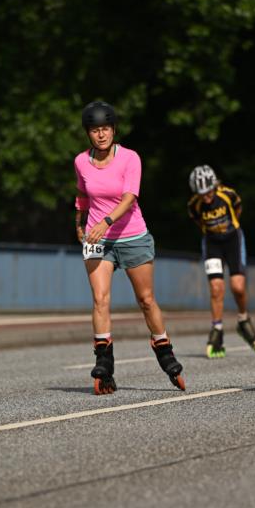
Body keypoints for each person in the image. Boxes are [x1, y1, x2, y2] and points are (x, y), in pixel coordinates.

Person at [75, 101, 185, 394]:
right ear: (88, 132)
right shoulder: (80, 161)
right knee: (100, 299)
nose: (101, 135)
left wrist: (106, 221)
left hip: (132, 236)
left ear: (114, 130)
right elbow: (83, 195)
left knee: (146, 299)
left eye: (106, 129)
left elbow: (129, 198)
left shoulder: (130, 158)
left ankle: (164, 349)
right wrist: (79, 221)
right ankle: (104, 363)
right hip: (98, 241)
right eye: (95, 130)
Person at [187, 165, 255, 358]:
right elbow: (197, 221)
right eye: (201, 193)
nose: (206, 197)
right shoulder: (194, 205)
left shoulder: (228, 195)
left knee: (237, 286)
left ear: (215, 185)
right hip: (212, 243)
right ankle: (217, 328)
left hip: (232, 240)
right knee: (216, 287)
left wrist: (227, 228)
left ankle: (244, 319)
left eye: (209, 191)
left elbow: (238, 210)